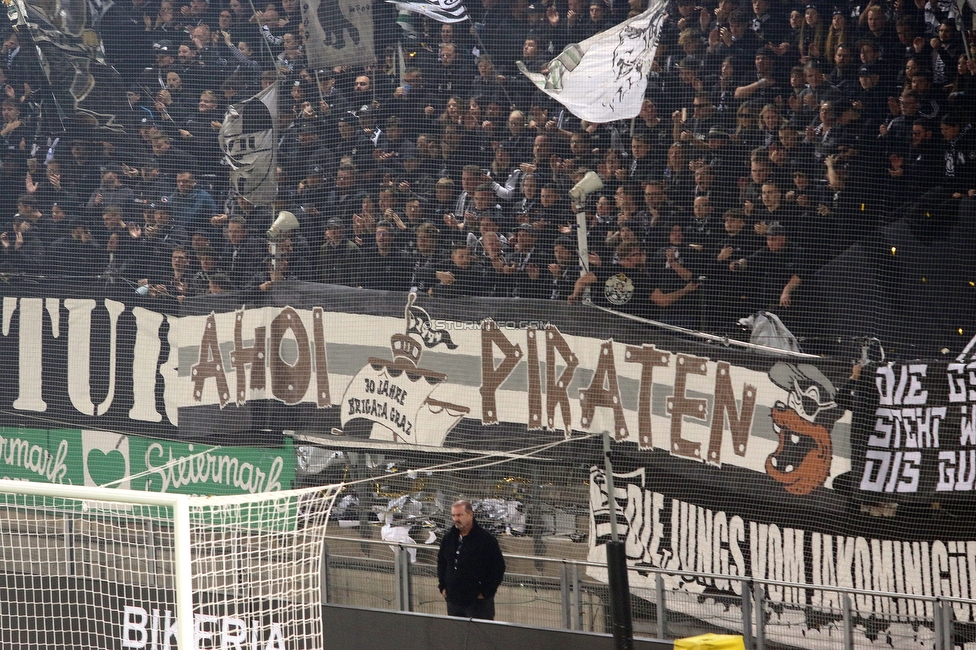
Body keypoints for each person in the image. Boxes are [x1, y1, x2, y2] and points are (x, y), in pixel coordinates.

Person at [437, 499, 506, 620]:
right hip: (454, 600)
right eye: (453, 515)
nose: (456, 519)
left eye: (459, 515)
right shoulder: (449, 538)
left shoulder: (486, 540)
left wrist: (485, 592)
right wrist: (443, 586)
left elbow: (497, 568)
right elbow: (442, 562)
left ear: (470, 514)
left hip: (478, 603)